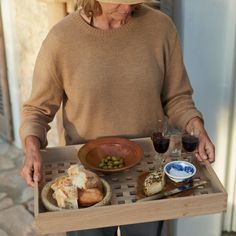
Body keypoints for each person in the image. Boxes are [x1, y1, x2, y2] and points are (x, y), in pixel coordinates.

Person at [19, 0, 215, 235]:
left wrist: (196, 126)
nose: (127, 8)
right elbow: (37, 110)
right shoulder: (61, 39)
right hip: (85, 178)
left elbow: (177, 97)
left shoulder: (161, 28)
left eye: (134, 1)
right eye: (119, 1)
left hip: (148, 174)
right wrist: (31, 147)